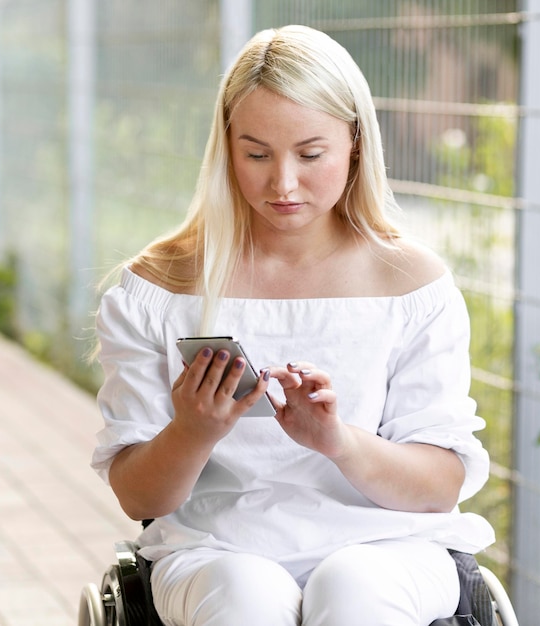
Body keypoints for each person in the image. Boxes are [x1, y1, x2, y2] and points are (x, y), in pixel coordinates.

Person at [92, 24, 495, 626]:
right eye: (256, 153)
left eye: (310, 154)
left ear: (355, 142)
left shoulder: (411, 285)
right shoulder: (159, 287)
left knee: (357, 589)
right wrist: (193, 431)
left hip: (390, 544)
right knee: (244, 595)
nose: (282, 184)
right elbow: (139, 498)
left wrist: (339, 442)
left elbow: (441, 485)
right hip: (216, 547)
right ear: (226, 145)